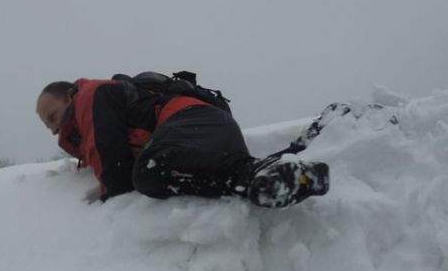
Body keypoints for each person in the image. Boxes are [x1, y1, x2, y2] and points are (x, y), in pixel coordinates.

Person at [35, 75, 332, 208]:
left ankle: (255, 173)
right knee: (154, 170)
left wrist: (109, 203)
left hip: (192, 119)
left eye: (52, 115)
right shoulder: (93, 113)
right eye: (46, 124)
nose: (52, 129)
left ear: (71, 96)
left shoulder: (91, 96)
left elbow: (114, 166)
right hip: (206, 133)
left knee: (150, 171)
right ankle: (283, 172)